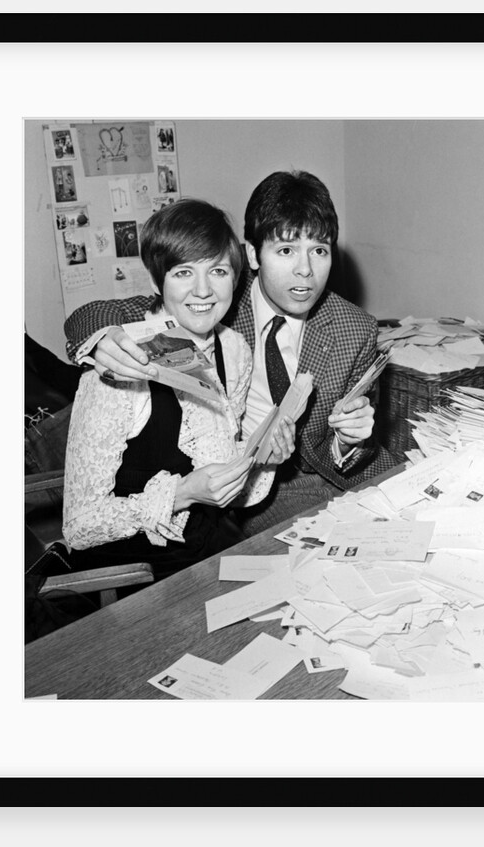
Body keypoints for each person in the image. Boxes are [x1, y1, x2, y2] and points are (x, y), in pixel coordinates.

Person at [63, 170, 397, 535]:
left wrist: (349, 441)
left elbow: (362, 441)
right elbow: (106, 312)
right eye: (286, 250)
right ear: (252, 254)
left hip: (339, 473)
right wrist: (102, 339)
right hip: (261, 490)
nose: (305, 270)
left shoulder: (356, 328)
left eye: (319, 250)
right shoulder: (218, 295)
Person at [62, 199, 295, 577]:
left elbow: (221, 482)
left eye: (217, 271)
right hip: (133, 569)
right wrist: (183, 494)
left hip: (204, 546)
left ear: (235, 278)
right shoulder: (119, 362)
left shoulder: (234, 350)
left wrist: (263, 457)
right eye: (184, 272)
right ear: (157, 281)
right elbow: (79, 527)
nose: (203, 290)